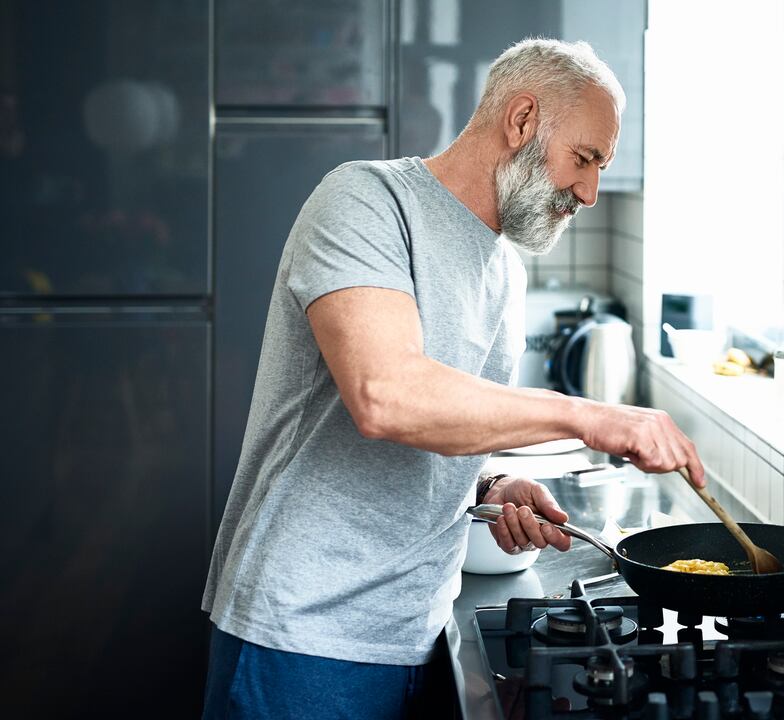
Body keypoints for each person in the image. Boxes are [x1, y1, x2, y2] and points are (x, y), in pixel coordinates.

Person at [200, 38, 705, 719]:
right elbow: (387, 397)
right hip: (303, 633)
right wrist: (593, 416)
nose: (589, 191)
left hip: (416, 632)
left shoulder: (505, 270)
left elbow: (441, 424)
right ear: (522, 121)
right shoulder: (366, 201)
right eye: (584, 159)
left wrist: (490, 485)